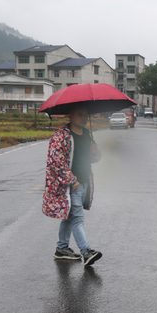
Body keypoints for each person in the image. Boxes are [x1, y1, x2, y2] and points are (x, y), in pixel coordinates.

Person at [42, 104, 103, 267]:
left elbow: (94, 158)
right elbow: (55, 161)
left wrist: (95, 151)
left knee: (69, 216)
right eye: (79, 114)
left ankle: (61, 248)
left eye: (85, 115)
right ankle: (86, 251)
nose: (83, 118)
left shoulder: (87, 134)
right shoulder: (61, 136)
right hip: (70, 185)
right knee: (77, 218)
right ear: (70, 115)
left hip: (84, 182)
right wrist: (71, 180)